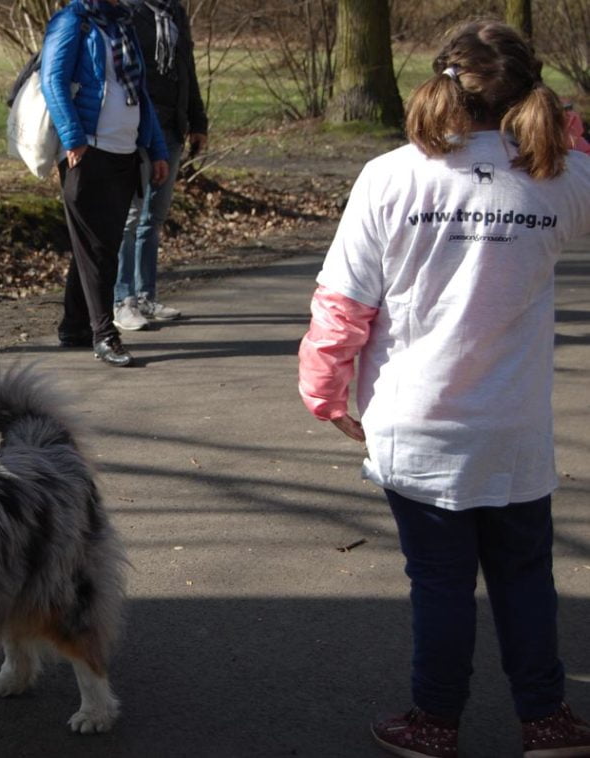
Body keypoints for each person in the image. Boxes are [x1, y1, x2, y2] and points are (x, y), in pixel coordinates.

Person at [297, 20, 590, 758]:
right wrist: (567, 132)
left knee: (439, 582)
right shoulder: (564, 181)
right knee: (524, 576)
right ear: (531, 93)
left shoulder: (391, 176)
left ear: (442, 84)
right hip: (514, 428)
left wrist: (325, 393)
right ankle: (546, 719)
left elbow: (343, 306)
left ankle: (435, 721)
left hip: (416, 423)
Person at [42, 0, 170, 367]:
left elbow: (140, 93)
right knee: (97, 247)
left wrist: (156, 148)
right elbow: (54, 79)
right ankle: (104, 335)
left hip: (125, 151)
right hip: (87, 153)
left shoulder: (122, 25)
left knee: (101, 245)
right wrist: (73, 137)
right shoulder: (72, 22)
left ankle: (74, 326)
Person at [112, 0, 207, 332]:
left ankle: (145, 295)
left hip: (172, 127)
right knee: (131, 216)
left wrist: (198, 121)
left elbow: (187, 69)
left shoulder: (174, 12)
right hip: (136, 129)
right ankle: (122, 300)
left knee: (153, 217)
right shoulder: (126, 11)